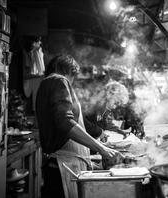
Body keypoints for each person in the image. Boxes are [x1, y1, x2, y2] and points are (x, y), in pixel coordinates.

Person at [36, 55, 123, 198]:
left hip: (60, 166)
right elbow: (65, 122)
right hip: (63, 167)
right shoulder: (59, 80)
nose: (73, 81)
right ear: (68, 70)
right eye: (73, 76)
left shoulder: (46, 84)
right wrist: (101, 148)